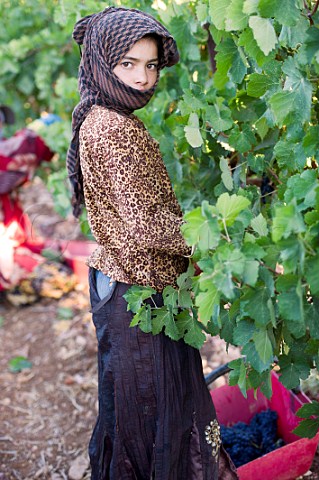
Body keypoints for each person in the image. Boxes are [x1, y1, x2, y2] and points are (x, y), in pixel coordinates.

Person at [67, 7, 238, 480]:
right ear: (103, 64)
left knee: (134, 414)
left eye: (151, 65)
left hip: (124, 282)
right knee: (156, 416)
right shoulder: (114, 127)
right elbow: (144, 227)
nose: (143, 77)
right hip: (138, 293)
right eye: (128, 64)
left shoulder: (102, 115)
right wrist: (209, 240)